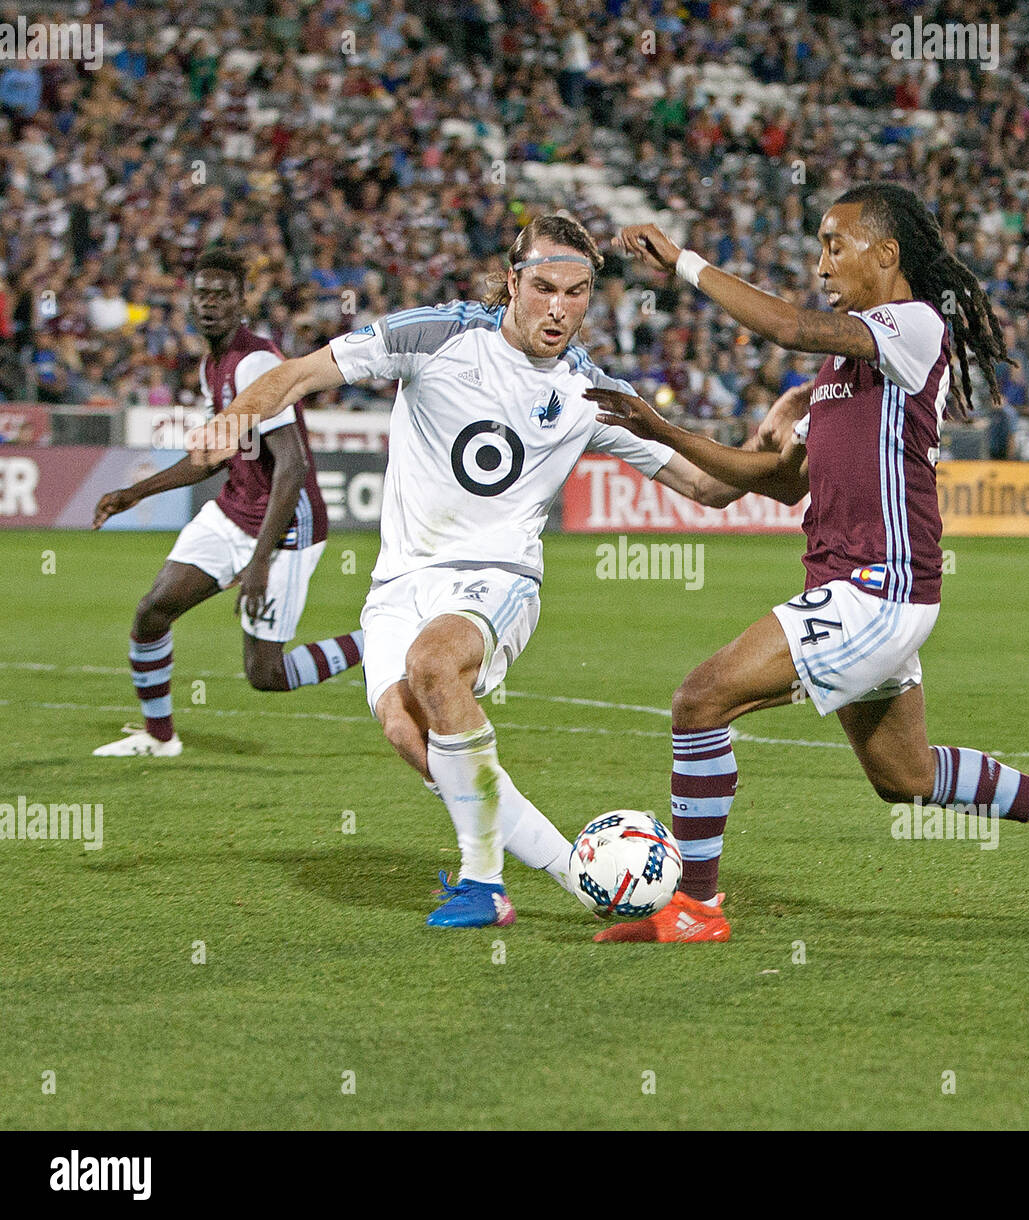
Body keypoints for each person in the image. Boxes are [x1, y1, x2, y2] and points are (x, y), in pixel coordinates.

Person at [585, 182, 1029, 943]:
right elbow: (783, 481)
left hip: (878, 588)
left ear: (886, 254)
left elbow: (790, 327)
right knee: (906, 778)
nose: (822, 261)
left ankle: (697, 908)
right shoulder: (840, 371)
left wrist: (685, 263)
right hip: (856, 590)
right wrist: (662, 429)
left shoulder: (914, 327)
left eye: (835, 244)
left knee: (700, 701)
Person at [186, 215, 766, 929]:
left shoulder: (591, 392)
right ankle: (577, 872)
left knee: (435, 666)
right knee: (407, 728)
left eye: (578, 293)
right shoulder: (436, 335)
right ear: (513, 282)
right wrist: (233, 418)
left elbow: (708, 490)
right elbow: (298, 374)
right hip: (400, 581)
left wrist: (764, 442)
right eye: (546, 287)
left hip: (498, 577)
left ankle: (483, 884)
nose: (560, 307)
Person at [91, 247, 361, 757]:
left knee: (266, 673)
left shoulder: (255, 361)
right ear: (190, 303)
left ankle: (381, 642)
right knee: (153, 612)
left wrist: (259, 563)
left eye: (222, 294)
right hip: (233, 509)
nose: (210, 303)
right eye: (202, 294)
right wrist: (133, 493)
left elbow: (293, 465)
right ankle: (159, 738)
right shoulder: (210, 365)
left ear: (241, 303)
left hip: (287, 525)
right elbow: (215, 457)